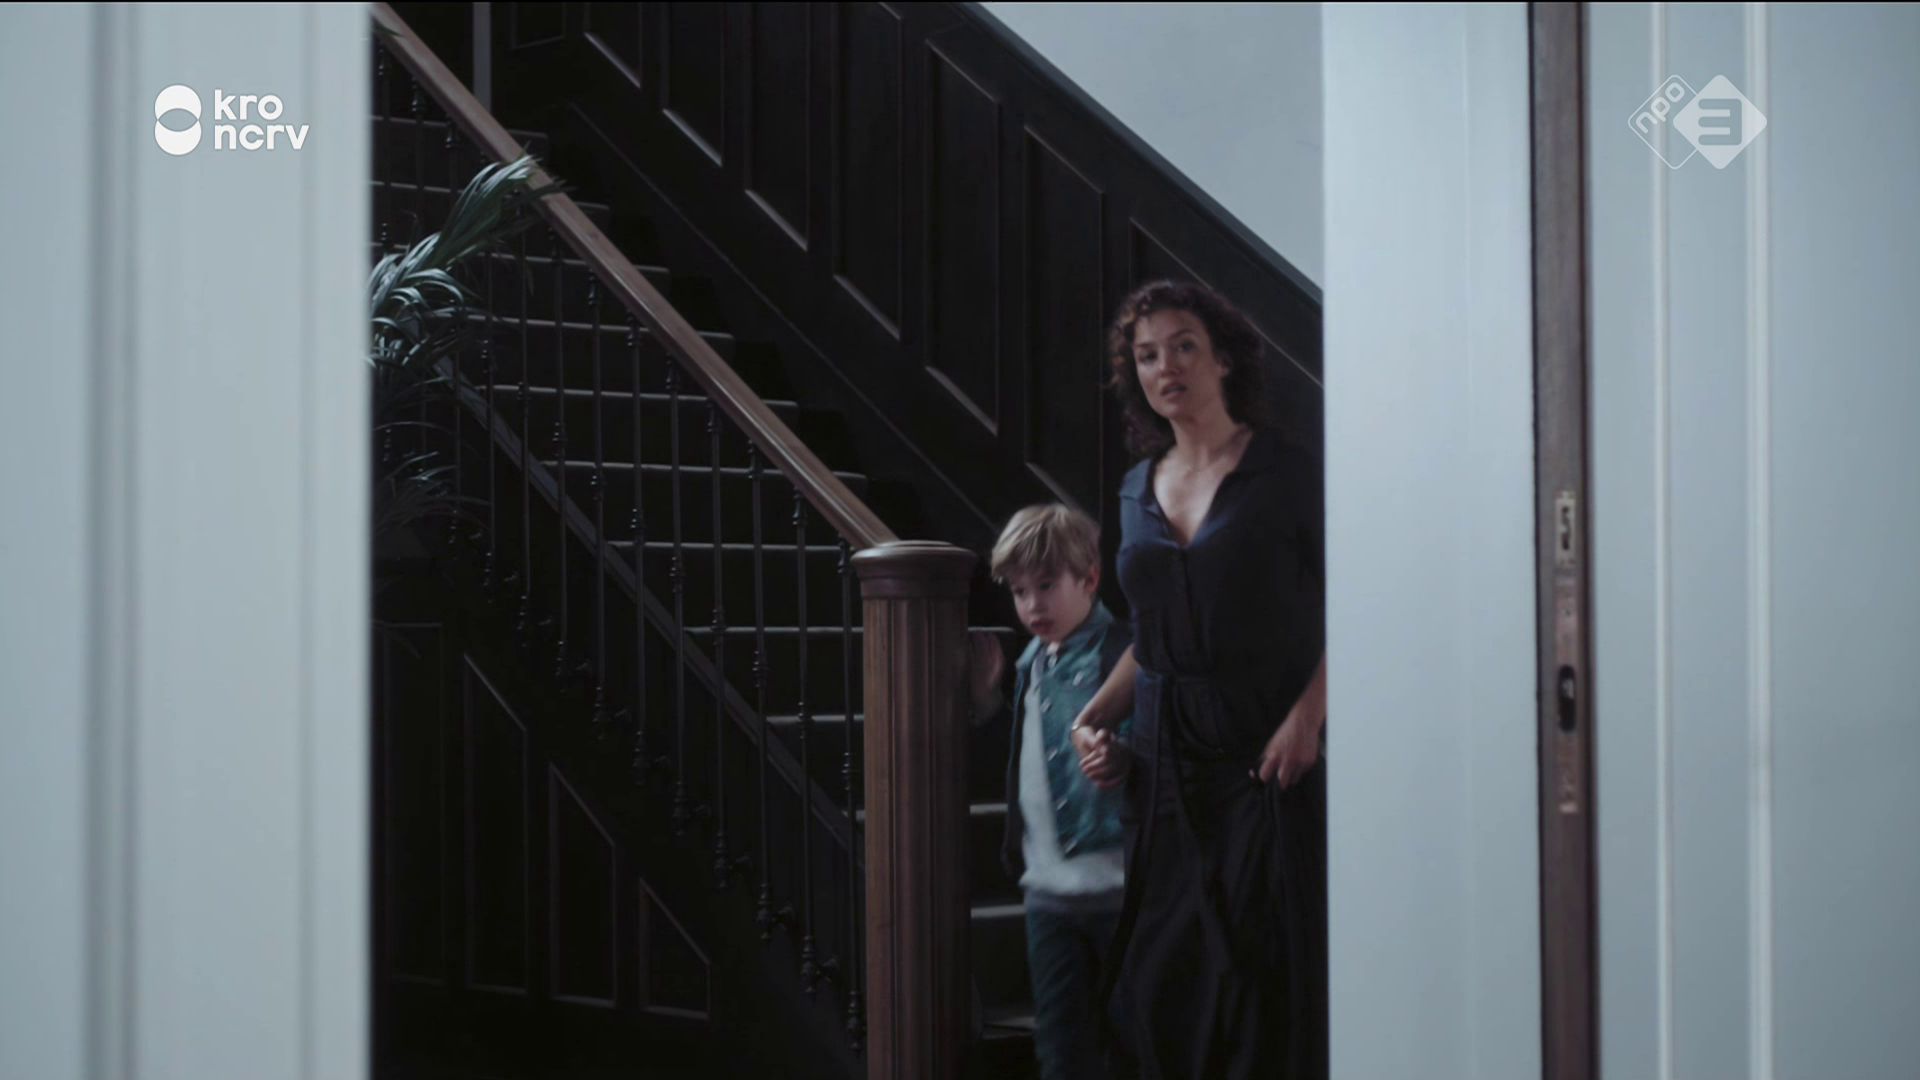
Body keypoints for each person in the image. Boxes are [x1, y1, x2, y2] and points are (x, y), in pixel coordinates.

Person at [1071, 279, 1329, 1079]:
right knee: (1164, 976)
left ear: (1223, 359)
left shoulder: (1285, 471)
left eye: (1184, 346)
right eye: (1147, 355)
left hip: (1265, 755)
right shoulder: (1133, 488)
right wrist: (1092, 718)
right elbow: (1152, 638)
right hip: (1164, 763)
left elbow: (1360, 600)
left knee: (1260, 973)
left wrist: (1308, 719)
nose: (1166, 367)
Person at [967, 503, 1139, 1080]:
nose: (1032, 605)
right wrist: (989, 702)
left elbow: (1147, 743)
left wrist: (1122, 755)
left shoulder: (1121, 654)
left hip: (1118, 892)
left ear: (1089, 578)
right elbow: (1032, 763)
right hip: (1048, 896)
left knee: (1134, 1045)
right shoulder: (1031, 664)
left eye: (1046, 586)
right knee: (1062, 1052)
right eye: (1020, 591)